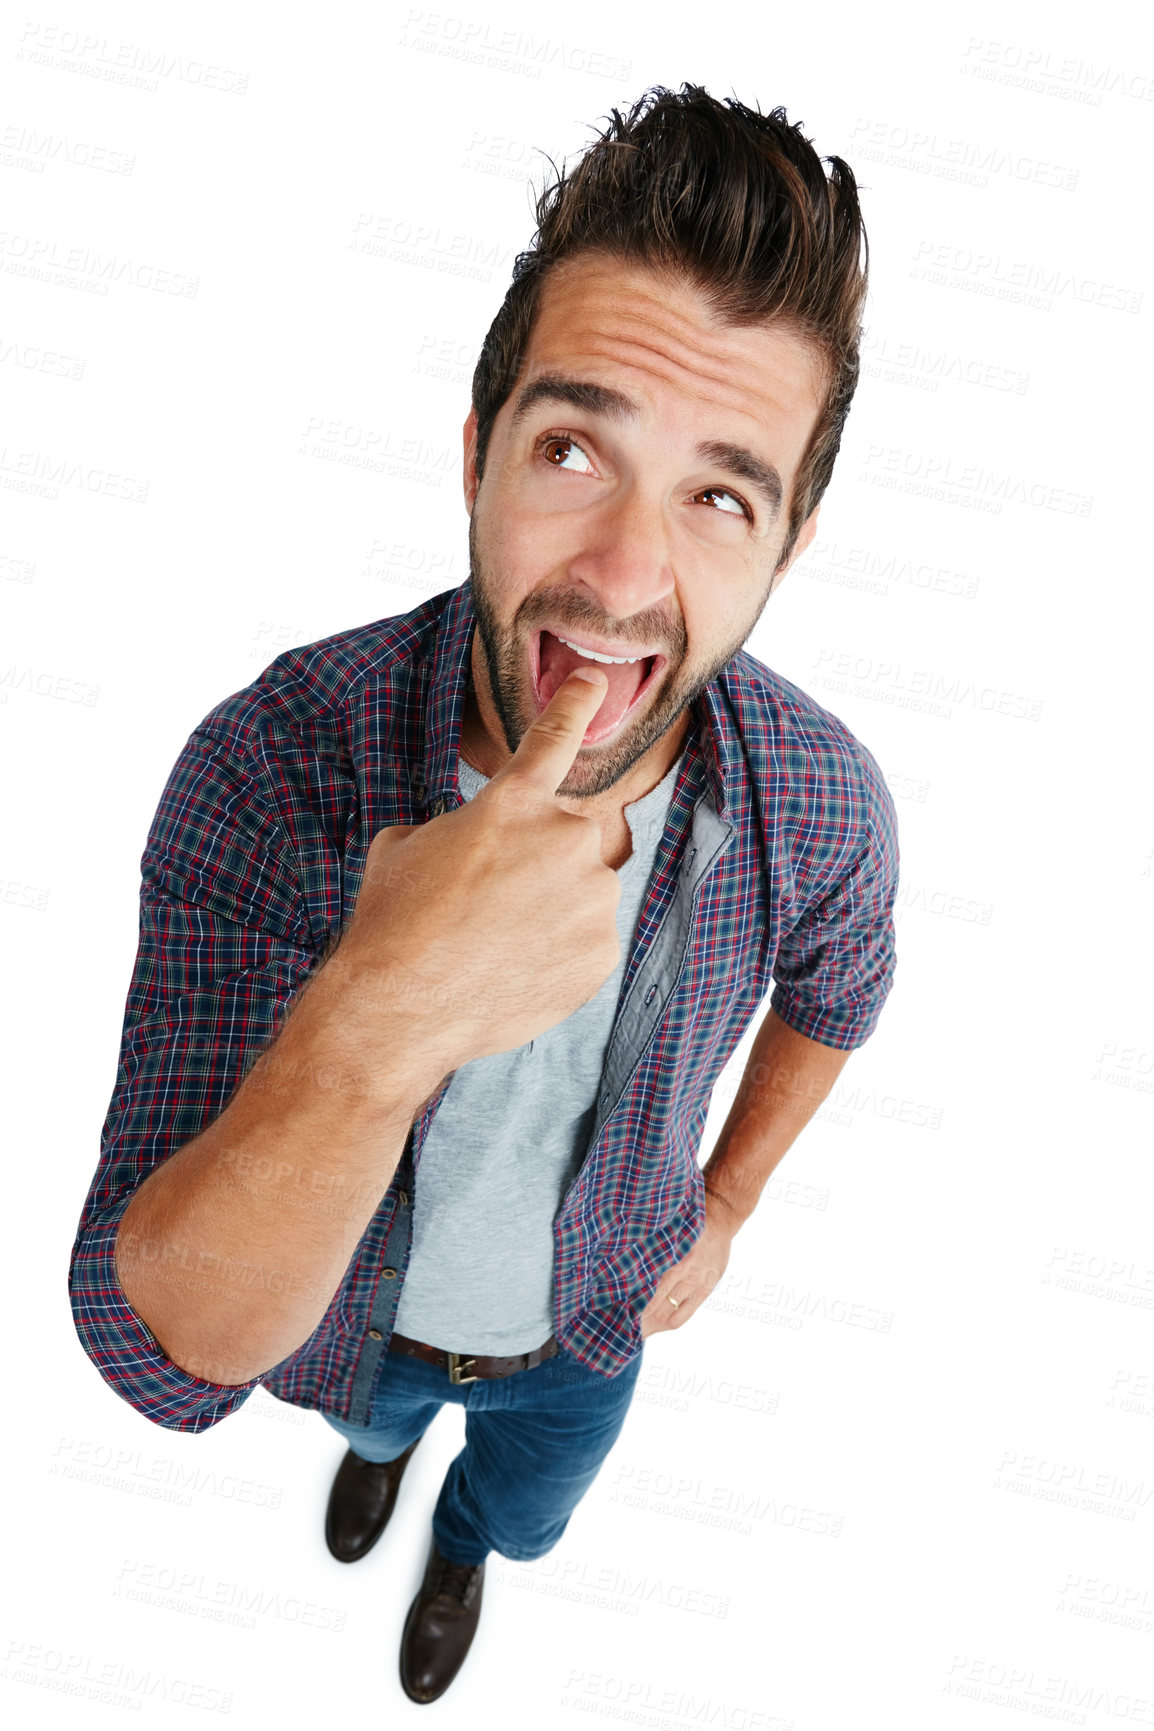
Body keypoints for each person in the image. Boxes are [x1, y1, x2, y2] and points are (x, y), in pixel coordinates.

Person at [69, 84, 899, 1705]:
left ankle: (458, 1554)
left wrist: (723, 1210)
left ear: (789, 543)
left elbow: (841, 991)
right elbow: (160, 1346)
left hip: (588, 1337)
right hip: (356, 1331)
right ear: (476, 452)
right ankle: (378, 1470)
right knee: (372, 1426)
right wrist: (382, 1016)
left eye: (720, 493)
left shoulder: (817, 800)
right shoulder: (272, 764)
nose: (617, 573)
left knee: (517, 1513)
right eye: (575, 447)